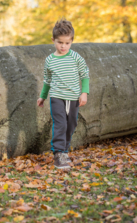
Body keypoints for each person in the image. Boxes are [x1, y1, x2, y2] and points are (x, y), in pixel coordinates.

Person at [37, 19, 89, 169]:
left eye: (67, 43)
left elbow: (85, 74)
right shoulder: (50, 60)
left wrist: (84, 93)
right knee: (60, 124)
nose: (63, 46)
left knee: (71, 125)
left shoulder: (75, 57)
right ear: (53, 40)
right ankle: (58, 154)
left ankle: (65, 151)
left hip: (73, 98)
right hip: (56, 97)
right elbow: (47, 80)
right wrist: (43, 96)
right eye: (60, 42)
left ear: (72, 41)